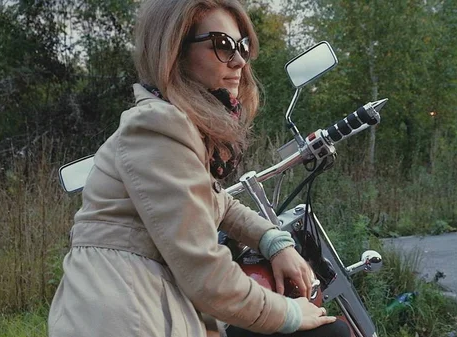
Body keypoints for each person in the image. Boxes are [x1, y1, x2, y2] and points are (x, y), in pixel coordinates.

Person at [48, 1, 350, 336]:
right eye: (222, 45)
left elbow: (216, 201)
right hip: (129, 314)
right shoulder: (156, 126)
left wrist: (273, 241)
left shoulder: (178, 127)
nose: (238, 60)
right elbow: (205, 274)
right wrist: (289, 313)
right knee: (329, 333)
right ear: (174, 51)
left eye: (243, 46)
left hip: (152, 299)